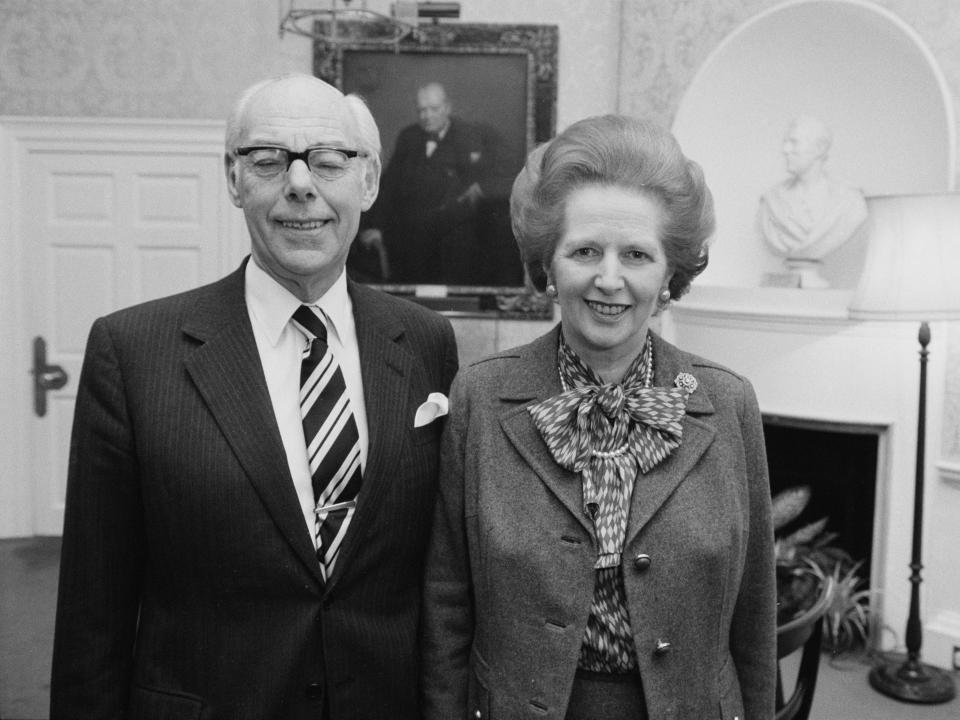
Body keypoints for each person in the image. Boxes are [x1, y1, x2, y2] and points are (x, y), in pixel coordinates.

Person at [50, 73, 459, 720]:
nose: (300, 184)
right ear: (234, 179)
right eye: (268, 160)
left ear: (370, 181)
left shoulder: (427, 343)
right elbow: (91, 615)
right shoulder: (132, 352)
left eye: (329, 160)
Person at [421, 115, 776, 719]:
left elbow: (754, 608)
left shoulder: (728, 402)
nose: (608, 279)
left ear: (669, 275)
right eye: (585, 250)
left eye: (636, 254)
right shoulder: (481, 397)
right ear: (549, 266)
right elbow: (446, 602)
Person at [353, 82, 501, 285]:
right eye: (422, 110)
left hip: (454, 240)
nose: (427, 116)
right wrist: (378, 227)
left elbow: (481, 188)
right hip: (411, 238)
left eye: (434, 109)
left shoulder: (468, 136)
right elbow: (388, 186)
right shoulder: (408, 137)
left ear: (447, 107)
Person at [757, 115, 867, 264]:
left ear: (819, 149)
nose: (785, 150)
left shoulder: (849, 200)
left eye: (794, 143)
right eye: (785, 143)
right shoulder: (772, 200)